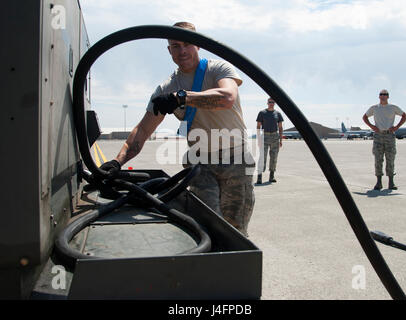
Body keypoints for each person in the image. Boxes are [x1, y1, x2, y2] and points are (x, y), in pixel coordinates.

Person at [99, 22, 255, 237]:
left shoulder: (219, 69)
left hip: (235, 159)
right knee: (208, 225)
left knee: (235, 230)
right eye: (175, 46)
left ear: (198, 45)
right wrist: (118, 162)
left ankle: (237, 268)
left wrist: (183, 98)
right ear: (169, 50)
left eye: (187, 44)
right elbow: (143, 131)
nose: (182, 51)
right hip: (201, 163)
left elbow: (227, 98)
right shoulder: (166, 89)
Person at [362, 89, 406, 190]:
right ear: (379, 96)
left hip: (389, 135)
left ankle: (391, 183)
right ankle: (379, 182)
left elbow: (405, 116)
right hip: (378, 135)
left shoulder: (392, 107)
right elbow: (364, 117)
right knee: (378, 159)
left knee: (390, 158)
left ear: (388, 96)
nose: (383, 96)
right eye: (381, 94)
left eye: (385, 94)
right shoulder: (374, 108)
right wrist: (372, 126)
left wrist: (397, 127)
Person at [255, 98, 284, 184]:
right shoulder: (262, 113)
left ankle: (272, 176)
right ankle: (259, 177)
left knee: (274, 157)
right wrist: (259, 139)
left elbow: (280, 127)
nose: (271, 103)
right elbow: (258, 126)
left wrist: (281, 139)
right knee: (262, 157)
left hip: (275, 136)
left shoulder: (278, 114)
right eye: (270, 102)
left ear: (274, 103)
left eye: (273, 102)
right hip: (265, 136)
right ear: (267, 103)